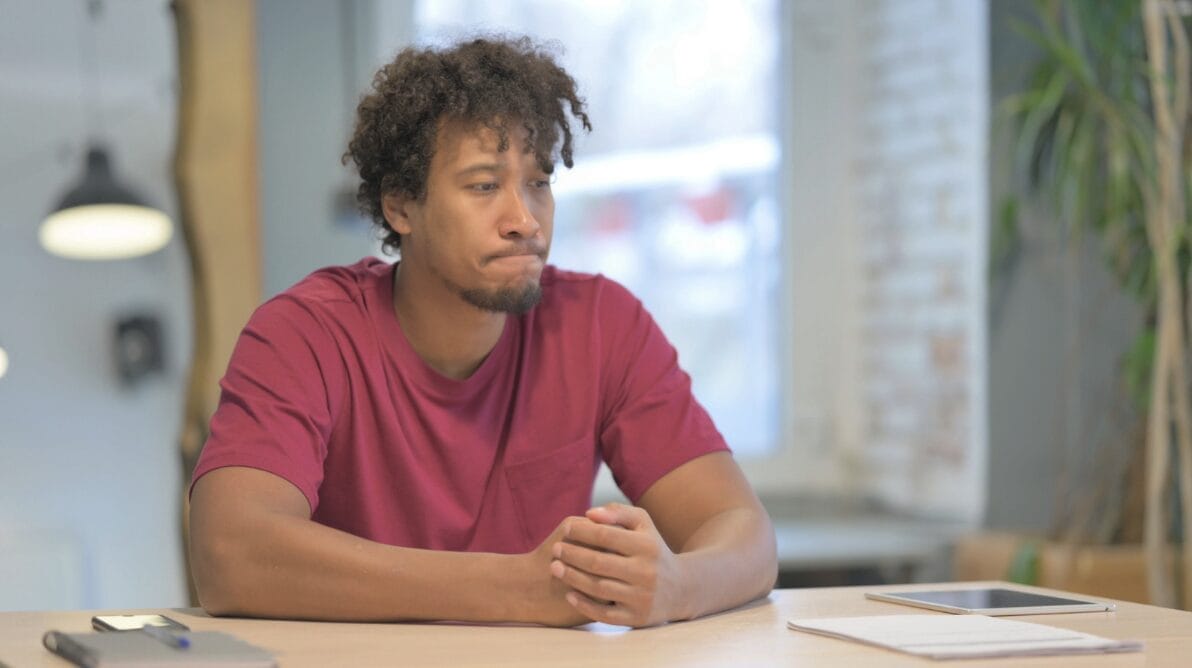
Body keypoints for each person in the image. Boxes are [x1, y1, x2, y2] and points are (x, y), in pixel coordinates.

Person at [188, 35, 776, 628]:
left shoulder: (602, 325)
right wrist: (516, 588)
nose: (524, 221)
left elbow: (744, 535)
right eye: (484, 186)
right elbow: (229, 553)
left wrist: (679, 586)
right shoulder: (304, 333)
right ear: (400, 207)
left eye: (539, 183)